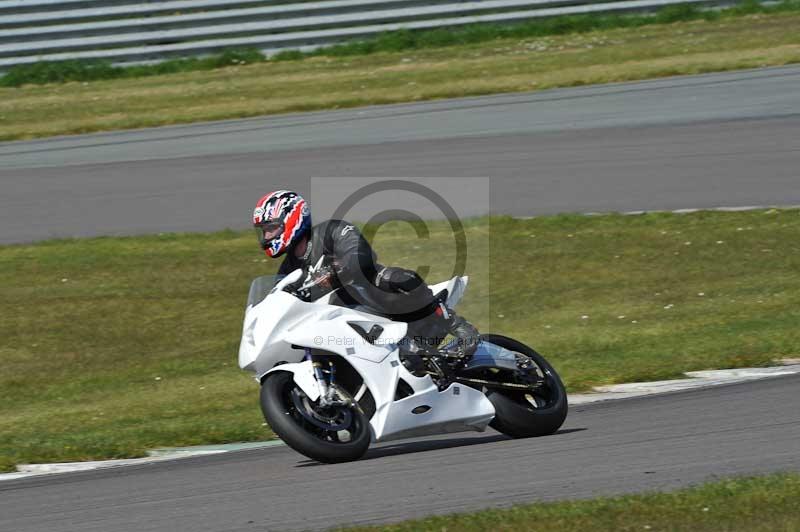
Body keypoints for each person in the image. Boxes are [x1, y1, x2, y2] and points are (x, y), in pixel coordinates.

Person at [252, 190, 479, 361]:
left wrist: (336, 271)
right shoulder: (287, 270)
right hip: (335, 320)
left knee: (388, 278)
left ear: (293, 218)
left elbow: (360, 253)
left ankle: (451, 321)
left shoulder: (331, 231)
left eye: (271, 228)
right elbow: (282, 301)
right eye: (264, 231)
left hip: (371, 296)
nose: (267, 237)